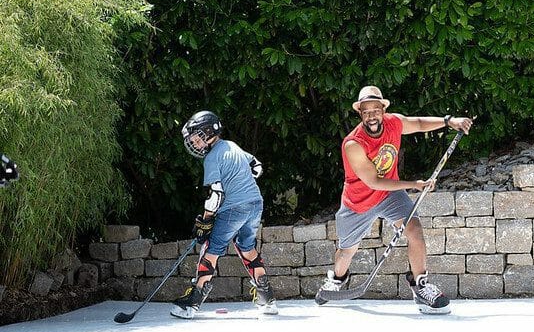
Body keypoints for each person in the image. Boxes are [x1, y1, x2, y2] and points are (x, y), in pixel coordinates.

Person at [315, 85, 473, 314]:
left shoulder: (393, 123)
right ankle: (337, 280)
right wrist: (414, 185)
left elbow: (418, 124)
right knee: (346, 251)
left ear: (382, 109)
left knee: (415, 230)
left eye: (375, 109)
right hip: (359, 201)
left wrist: (449, 121)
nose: (372, 116)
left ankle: (421, 286)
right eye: (366, 111)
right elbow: (374, 182)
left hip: (389, 194)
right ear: (360, 113)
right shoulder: (353, 144)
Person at [171, 110, 277, 318]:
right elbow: (256, 166)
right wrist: (242, 184)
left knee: (211, 248)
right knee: (247, 247)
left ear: (209, 132)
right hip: (256, 203)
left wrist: (206, 220)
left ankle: (192, 303)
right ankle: (267, 299)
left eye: (196, 138)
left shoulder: (211, 158)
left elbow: (216, 194)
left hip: (233, 208)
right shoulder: (232, 146)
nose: (194, 144)